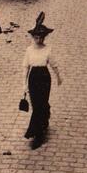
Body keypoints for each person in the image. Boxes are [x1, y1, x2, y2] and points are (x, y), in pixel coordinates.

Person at [23, 12, 61, 149]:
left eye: (41, 37)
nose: (39, 40)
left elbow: (53, 64)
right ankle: (43, 121)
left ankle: (37, 134)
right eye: (36, 37)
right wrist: (24, 86)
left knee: (41, 103)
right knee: (36, 105)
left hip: (44, 77)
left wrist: (58, 77)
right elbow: (26, 68)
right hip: (33, 78)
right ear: (33, 37)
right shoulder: (29, 50)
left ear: (44, 38)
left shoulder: (48, 49)